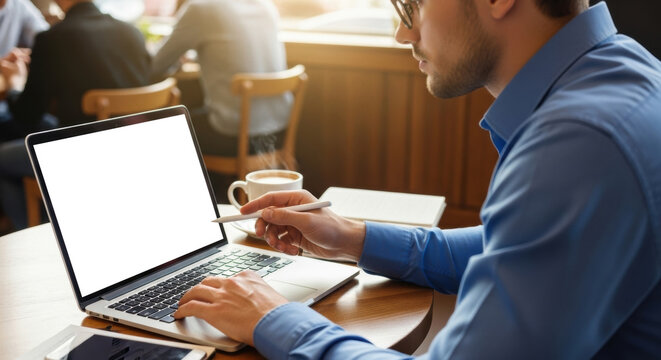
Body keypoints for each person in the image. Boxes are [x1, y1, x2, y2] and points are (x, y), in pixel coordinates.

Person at [171, 0, 661, 358]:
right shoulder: (619, 74)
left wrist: (273, 318)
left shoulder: (577, 143)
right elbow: (508, 247)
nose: (403, 35)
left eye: (413, 5)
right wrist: (353, 237)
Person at [0, 0, 150, 230]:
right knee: (51, 124)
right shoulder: (131, 32)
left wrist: (15, 86)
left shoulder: (53, 40)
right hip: (136, 150)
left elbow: (25, 116)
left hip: (78, 154)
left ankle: (39, 237)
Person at [150, 0, 292, 158]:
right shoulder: (265, 5)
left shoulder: (201, 8)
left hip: (235, 137)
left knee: (160, 131)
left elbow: (155, 65)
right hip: (278, 132)